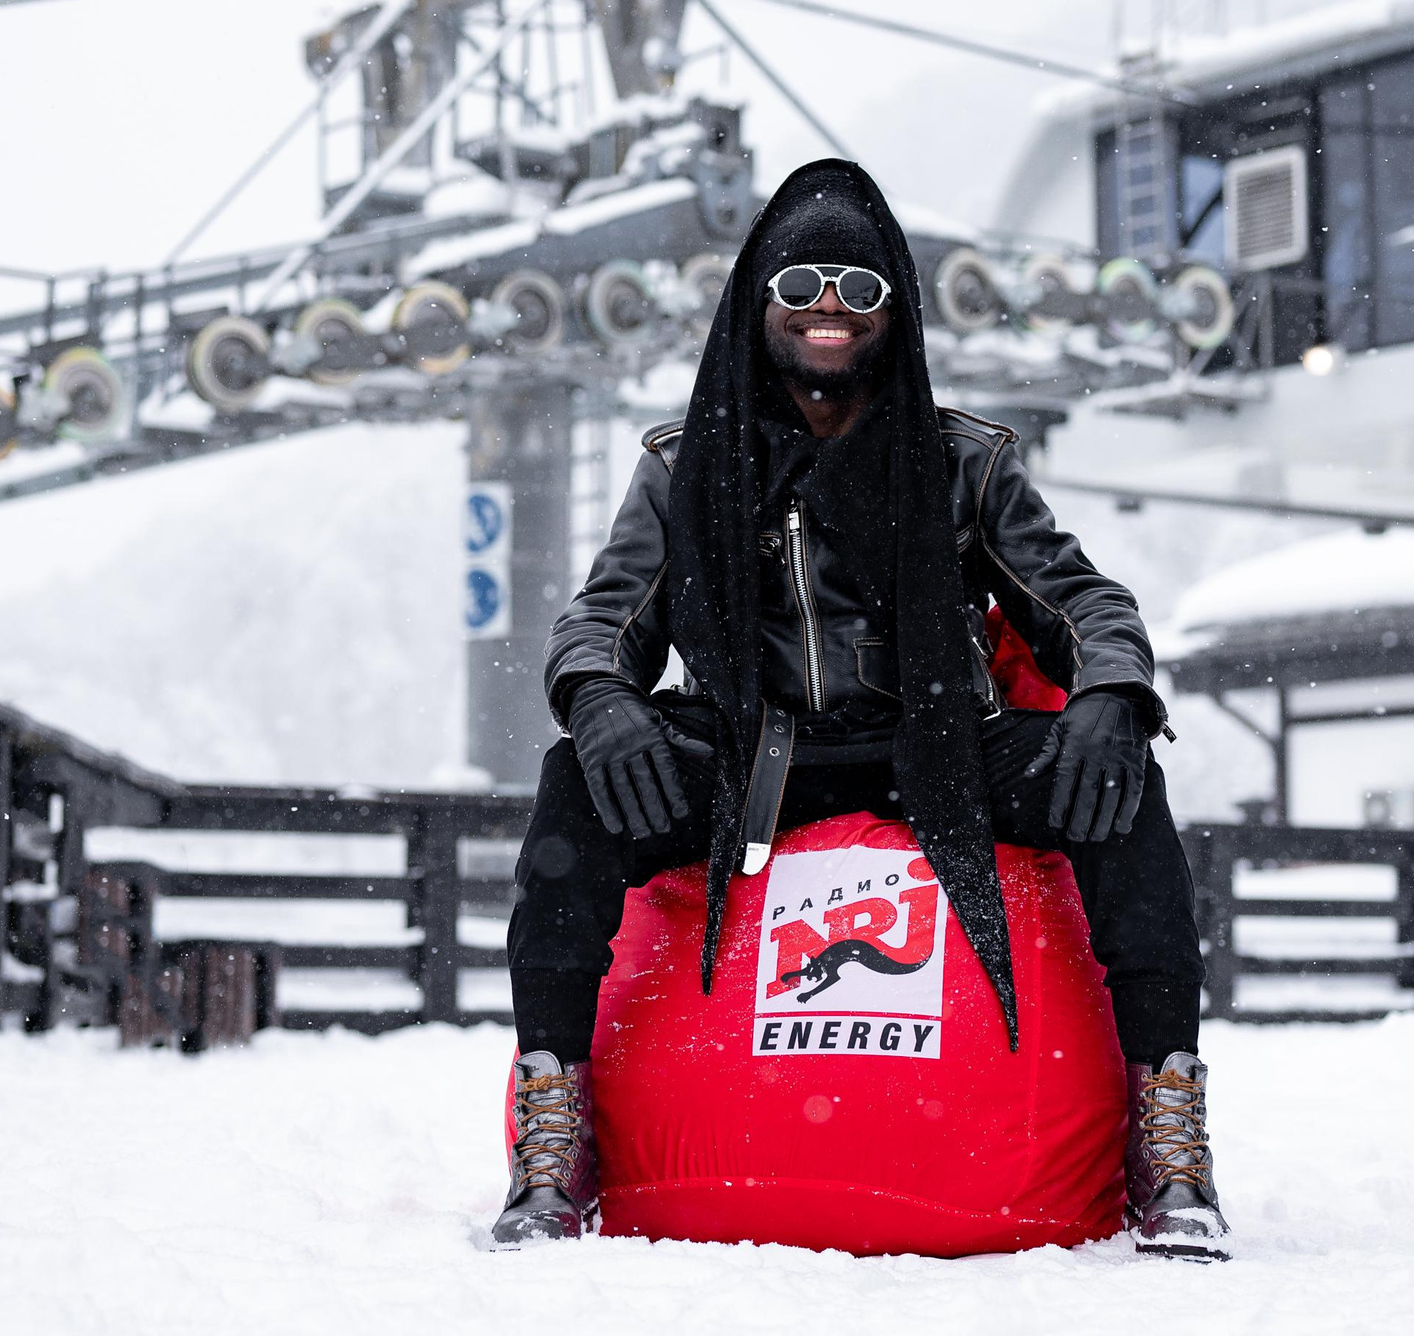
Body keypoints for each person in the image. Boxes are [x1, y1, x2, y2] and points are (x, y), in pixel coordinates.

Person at [495, 159, 1226, 1260]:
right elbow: (601, 620)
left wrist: (1114, 695)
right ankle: (554, 1133)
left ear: (895, 311)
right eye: (799, 286)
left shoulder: (963, 462)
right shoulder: (684, 467)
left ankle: (1167, 1133)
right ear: (758, 304)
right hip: (752, 751)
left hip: (934, 739)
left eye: (858, 286)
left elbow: (1082, 600)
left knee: (1125, 784)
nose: (827, 306)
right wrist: (598, 699)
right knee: (572, 781)